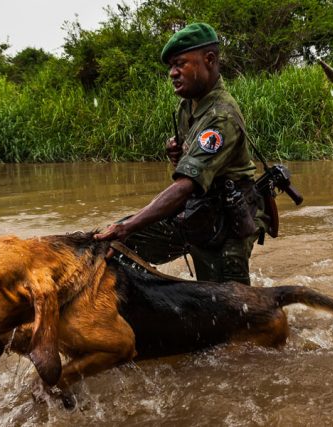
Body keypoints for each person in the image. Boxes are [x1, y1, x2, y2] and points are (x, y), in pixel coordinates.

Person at [94, 23, 265, 285]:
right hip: (198, 209)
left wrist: (128, 226)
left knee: (228, 308)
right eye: (171, 67)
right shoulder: (188, 105)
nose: (173, 73)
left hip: (228, 219)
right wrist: (179, 153)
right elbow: (192, 171)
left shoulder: (220, 115)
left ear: (209, 60)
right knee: (122, 245)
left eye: (180, 64)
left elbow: (185, 185)